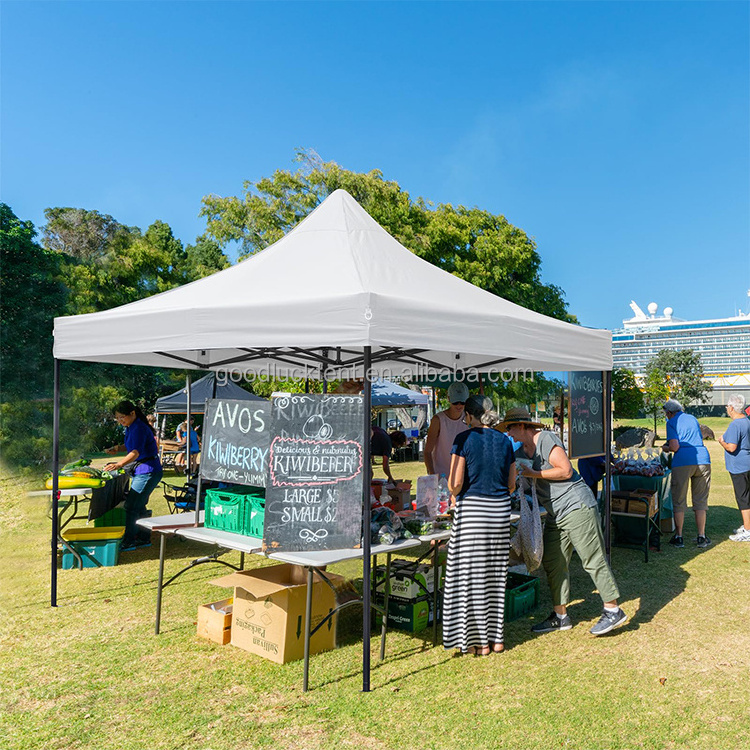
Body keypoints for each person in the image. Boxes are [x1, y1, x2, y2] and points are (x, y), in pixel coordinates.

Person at [502, 407, 627, 637]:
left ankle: (613, 609)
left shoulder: (545, 438)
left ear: (521, 426)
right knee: (553, 561)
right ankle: (560, 616)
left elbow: (565, 470)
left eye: (509, 428)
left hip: (576, 506)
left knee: (592, 558)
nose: (508, 433)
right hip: (555, 513)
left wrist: (533, 474)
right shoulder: (522, 451)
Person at [443, 395, 516, 656]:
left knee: (470, 578)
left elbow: (456, 484)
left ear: (470, 416)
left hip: (473, 512)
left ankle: (478, 643)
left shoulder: (463, 439)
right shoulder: (505, 440)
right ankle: (496, 640)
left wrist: (451, 490)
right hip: (499, 512)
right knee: (495, 576)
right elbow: (511, 484)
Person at [105, 400, 163, 551]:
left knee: (131, 506)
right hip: (143, 471)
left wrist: (118, 464)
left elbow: (135, 452)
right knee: (139, 504)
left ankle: (130, 540)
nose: (120, 420)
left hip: (148, 471)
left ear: (132, 413)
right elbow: (132, 445)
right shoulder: (131, 427)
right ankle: (143, 538)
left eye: (122, 417)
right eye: (117, 418)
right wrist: (118, 448)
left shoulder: (138, 427)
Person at [661, 399, 711, 548]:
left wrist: (666, 448)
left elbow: (675, 446)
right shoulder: (692, 418)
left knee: (679, 500)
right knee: (701, 500)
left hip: (683, 461)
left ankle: (679, 536)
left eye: (666, 413)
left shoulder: (671, 422)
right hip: (703, 459)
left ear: (669, 412)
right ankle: (701, 536)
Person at [717, 394, 750, 542]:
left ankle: (747, 531)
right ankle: (747, 525)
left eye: (727, 407)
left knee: (743, 498)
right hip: (747, 463)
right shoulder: (747, 421)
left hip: (739, 466)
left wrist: (721, 442)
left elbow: (731, 447)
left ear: (731, 408)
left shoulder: (736, 424)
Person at [424, 382, 470, 478]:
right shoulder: (438, 420)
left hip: (464, 475)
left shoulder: (469, 418)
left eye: (462, 402)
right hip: (442, 476)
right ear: (448, 399)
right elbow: (427, 451)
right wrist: (432, 475)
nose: (459, 405)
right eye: (455, 402)